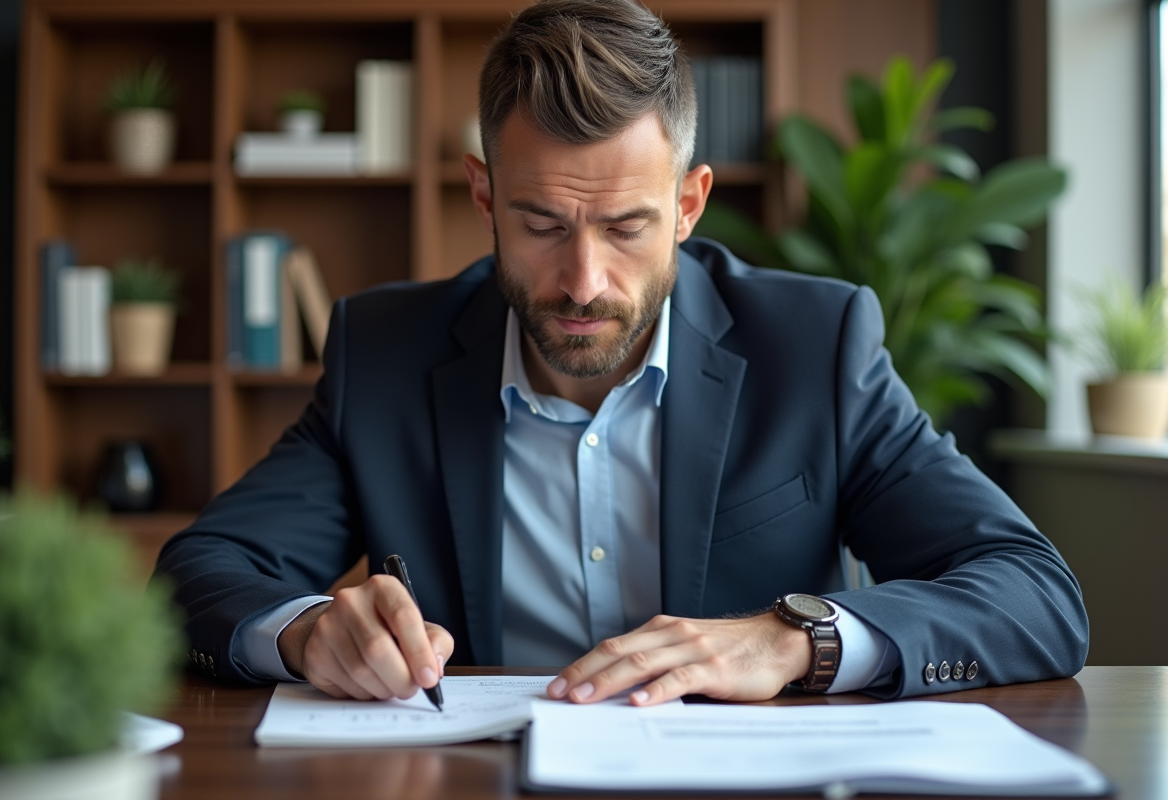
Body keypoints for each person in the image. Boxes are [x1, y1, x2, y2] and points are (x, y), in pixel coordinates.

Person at [156, 0, 1087, 706]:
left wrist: (797, 640)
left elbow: (1034, 593)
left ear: (689, 204)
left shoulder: (816, 348)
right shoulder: (385, 355)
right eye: (541, 223)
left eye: (629, 227)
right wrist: (309, 631)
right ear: (483, 196)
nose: (583, 280)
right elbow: (198, 574)